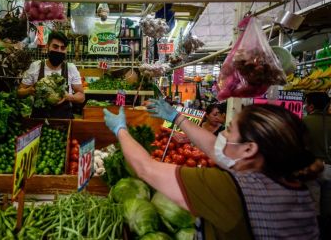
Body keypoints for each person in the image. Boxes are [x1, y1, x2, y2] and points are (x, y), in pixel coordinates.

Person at [103, 100, 321, 239]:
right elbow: (214, 147)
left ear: (248, 149)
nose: (222, 136)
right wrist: (177, 118)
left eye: (229, 130)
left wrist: (120, 130)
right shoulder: (292, 182)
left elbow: (146, 169)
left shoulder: (231, 190)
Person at [18, 31, 85, 119]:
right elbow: (19, 92)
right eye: (55, 46)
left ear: (66, 50)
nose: (59, 50)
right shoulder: (35, 66)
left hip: (64, 119)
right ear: (47, 47)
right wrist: (29, 90)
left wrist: (67, 97)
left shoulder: (71, 68)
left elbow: (81, 96)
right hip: (39, 119)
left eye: (63, 48)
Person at [303, 92, 331, 238]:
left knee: (313, 207)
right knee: (328, 207)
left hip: (312, 169)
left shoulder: (304, 122)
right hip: (330, 169)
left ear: (311, 106)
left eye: (306, 104)